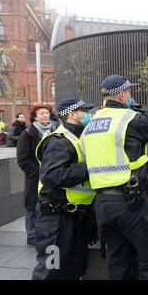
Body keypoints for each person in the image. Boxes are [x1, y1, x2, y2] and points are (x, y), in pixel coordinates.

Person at [81, 75, 148, 280]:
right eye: (129, 92)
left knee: (118, 260)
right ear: (122, 94)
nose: (131, 95)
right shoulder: (130, 118)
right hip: (130, 203)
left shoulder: (90, 125)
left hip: (102, 205)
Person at [32, 98, 96, 280]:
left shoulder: (79, 137)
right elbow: (52, 174)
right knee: (50, 271)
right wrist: (91, 168)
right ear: (72, 114)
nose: (89, 115)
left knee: (74, 270)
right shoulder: (59, 141)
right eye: (85, 111)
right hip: (55, 218)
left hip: (76, 216)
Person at [17, 104, 55, 246]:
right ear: (35, 117)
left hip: (51, 176)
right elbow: (22, 159)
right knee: (32, 207)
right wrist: (38, 172)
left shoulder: (54, 130)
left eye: (47, 113)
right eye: (41, 113)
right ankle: (32, 236)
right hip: (35, 177)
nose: (45, 115)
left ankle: (44, 232)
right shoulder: (27, 134)